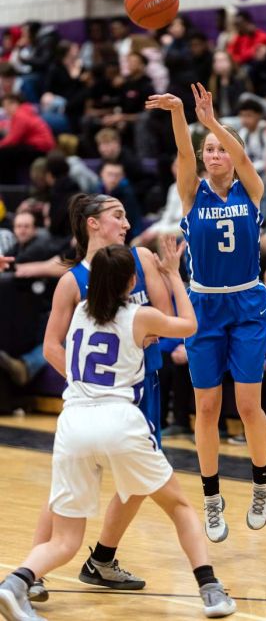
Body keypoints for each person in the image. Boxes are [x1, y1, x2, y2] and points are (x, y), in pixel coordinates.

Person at [0, 241, 236, 620]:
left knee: (65, 540)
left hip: (74, 421)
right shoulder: (141, 316)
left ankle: (16, 583)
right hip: (119, 420)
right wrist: (173, 275)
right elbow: (190, 325)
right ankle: (211, 591)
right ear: (131, 282)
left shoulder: (79, 312)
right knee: (179, 506)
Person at [28, 192, 173, 602]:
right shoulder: (71, 281)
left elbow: (164, 318)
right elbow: (51, 346)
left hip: (143, 387)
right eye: (117, 216)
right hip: (94, 399)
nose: (126, 223)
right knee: (67, 485)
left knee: (141, 480)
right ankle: (34, 570)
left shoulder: (141, 260)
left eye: (125, 216)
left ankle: (102, 559)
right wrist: (88, 384)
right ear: (93, 223)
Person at [145, 82, 266, 543]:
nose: (215, 154)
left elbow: (242, 158)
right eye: (209, 150)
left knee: (248, 404)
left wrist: (213, 122)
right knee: (206, 405)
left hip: (248, 304)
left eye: (221, 149)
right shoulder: (191, 194)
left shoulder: (250, 190)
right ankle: (212, 498)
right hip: (204, 306)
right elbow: (184, 151)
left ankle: (261, 483)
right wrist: (180, 114)